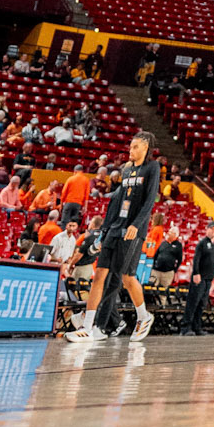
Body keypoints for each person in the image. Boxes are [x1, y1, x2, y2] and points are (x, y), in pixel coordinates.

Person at [67, 133, 160, 343]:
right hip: (115, 229)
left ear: (146, 148)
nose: (131, 150)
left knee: (127, 277)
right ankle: (88, 327)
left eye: (136, 147)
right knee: (99, 276)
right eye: (130, 146)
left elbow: (149, 200)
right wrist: (104, 232)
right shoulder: (126, 169)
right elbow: (116, 203)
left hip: (133, 230)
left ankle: (144, 317)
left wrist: (136, 225)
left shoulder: (152, 167)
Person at [180, 225, 214, 335]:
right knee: (193, 302)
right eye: (210, 228)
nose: (212, 231)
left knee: (202, 303)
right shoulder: (202, 243)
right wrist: (196, 273)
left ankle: (196, 327)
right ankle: (185, 328)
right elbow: (196, 259)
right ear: (207, 229)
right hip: (200, 277)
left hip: (209, 278)